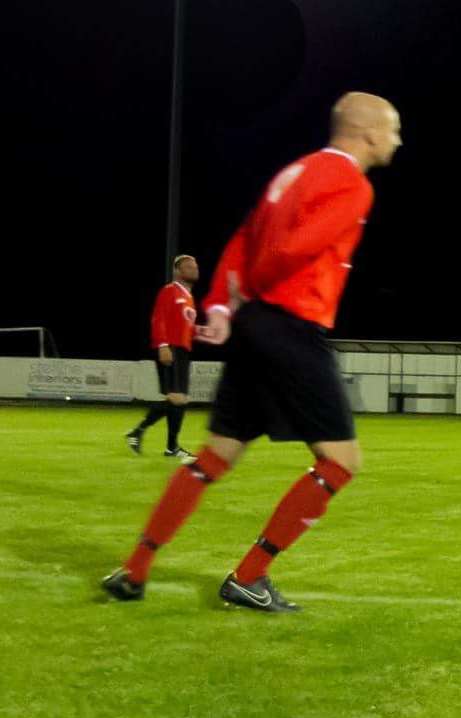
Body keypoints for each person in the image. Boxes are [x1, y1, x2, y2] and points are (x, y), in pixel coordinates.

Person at [101, 92, 403, 611]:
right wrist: (254, 290)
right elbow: (294, 249)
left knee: (216, 455)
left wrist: (222, 305)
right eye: (394, 129)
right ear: (369, 132)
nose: (397, 140)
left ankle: (136, 568)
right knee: (340, 462)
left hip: (255, 327)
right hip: (290, 326)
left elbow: (244, 240)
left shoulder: (294, 172)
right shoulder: (353, 183)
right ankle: (249, 576)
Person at [125, 254, 200, 459]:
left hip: (183, 350)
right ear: (178, 271)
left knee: (181, 400)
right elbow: (159, 319)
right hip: (171, 348)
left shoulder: (189, 297)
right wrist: (163, 345)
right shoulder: (170, 291)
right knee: (176, 398)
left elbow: (187, 327)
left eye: (195, 266)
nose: (194, 269)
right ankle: (137, 432)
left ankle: (171, 448)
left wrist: (200, 331)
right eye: (189, 266)